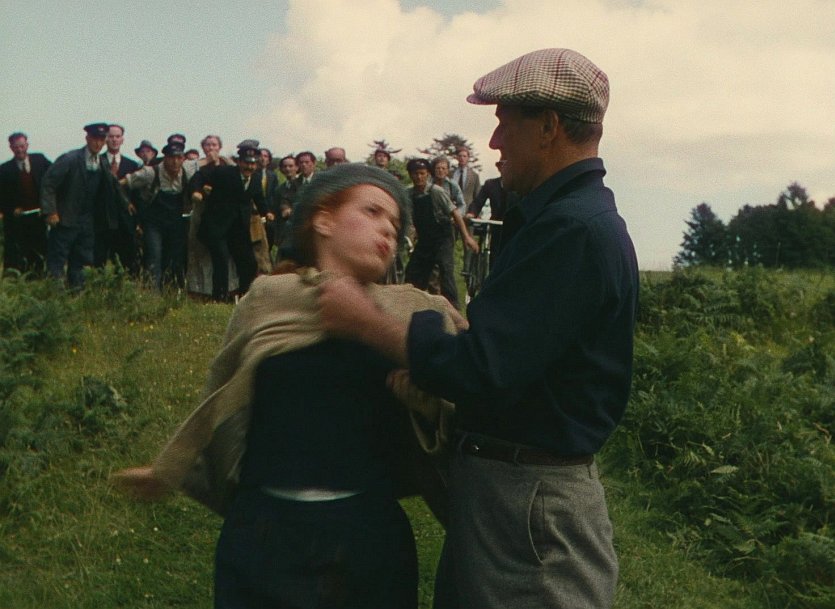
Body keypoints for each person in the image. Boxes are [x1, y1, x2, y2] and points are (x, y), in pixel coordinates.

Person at [318, 48, 639, 609]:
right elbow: (516, 359)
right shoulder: (560, 221)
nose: (494, 142)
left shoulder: (573, 230)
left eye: (504, 123)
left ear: (549, 127)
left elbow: (482, 368)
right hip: (512, 496)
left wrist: (367, 321)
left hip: (531, 509)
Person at [112, 163, 461, 609]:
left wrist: (427, 407)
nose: (388, 231)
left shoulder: (412, 312)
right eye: (372, 212)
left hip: (367, 541)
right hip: (265, 535)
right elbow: (222, 390)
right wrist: (171, 465)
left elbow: (465, 400)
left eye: (395, 224)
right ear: (323, 219)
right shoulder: (267, 299)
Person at [40, 122, 125, 289]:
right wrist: (50, 211)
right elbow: (48, 183)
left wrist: (126, 204)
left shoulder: (102, 163)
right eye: (94, 139)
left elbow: (113, 186)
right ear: (87, 138)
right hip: (65, 220)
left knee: (81, 262)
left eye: (101, 140)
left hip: (87, 222)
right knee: (57, 261)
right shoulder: (70, 159)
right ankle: (55, 297)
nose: (98, 143)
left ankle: (77, 296)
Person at [121, 140, 201, 290]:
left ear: (183, 159)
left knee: (175, 259)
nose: (175, 162)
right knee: (154, 257)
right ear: (165, 158)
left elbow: (206, 168)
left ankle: (172, 293)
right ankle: (153, 295)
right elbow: (122, 183)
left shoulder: (187, 172)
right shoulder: (150, 173)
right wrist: (126, 202)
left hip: (175, 222)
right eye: (171, 158)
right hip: (153, 223)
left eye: (179, 158)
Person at [190, 142, 264, 302]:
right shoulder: (224, 172)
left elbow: (259, 199)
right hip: (216, 227)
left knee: (249, 262)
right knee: (221, 260)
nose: (249, 167)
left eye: (253, 164)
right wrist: (197, 191)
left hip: (238, 230)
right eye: (246, 163)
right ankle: (220, 298)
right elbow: (199, 176)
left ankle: (245, 297)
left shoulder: (256, 179)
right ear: (239, 162)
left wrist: (269, 213)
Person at [403, 158, 477, 310]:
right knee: (413, 273)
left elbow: (455, 213)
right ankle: (412, 306)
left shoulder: (437, 191)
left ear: (428, 174)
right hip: (425, 239)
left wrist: (466, 237)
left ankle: (453, 309)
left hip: (443, 237)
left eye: (422, 173)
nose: (419, 177)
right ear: (410, 175)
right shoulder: (408, 194)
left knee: (445, 269)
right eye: (415, 174)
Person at [186, 134, 238, 299]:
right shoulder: (196, 165)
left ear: (219, 147)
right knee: (199, 252)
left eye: (214, 145)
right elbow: (188, 177)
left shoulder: (228, 163)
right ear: (203, 147)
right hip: (202, 213)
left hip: (224, 215)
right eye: (207, 145)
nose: (211, 148)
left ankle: (227, 289)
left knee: (224, 255)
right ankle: (200, 290)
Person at [0, 132, 51, 275]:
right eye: (16, 147)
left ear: (27, 145)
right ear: (11, 148)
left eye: (22, 146)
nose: (20, 150)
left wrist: (48, 206)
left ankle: (40, 278)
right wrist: (11, 209)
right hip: (17, 221)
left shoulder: (40, 160)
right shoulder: (4, 170)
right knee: (19, 253)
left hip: (39, 216)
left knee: (40, 251)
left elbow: (53, 180)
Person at [95, 124, 140, 274]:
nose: (114, 140)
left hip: (125, 221)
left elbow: (137, 195)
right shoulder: (97, 161)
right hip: (101, 220)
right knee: (99, 261)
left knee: (127, 262)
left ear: (122, 140)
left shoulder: (132, 165)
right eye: (111, 136)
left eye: (117, 136)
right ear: (105, 139)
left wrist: (137, 221)